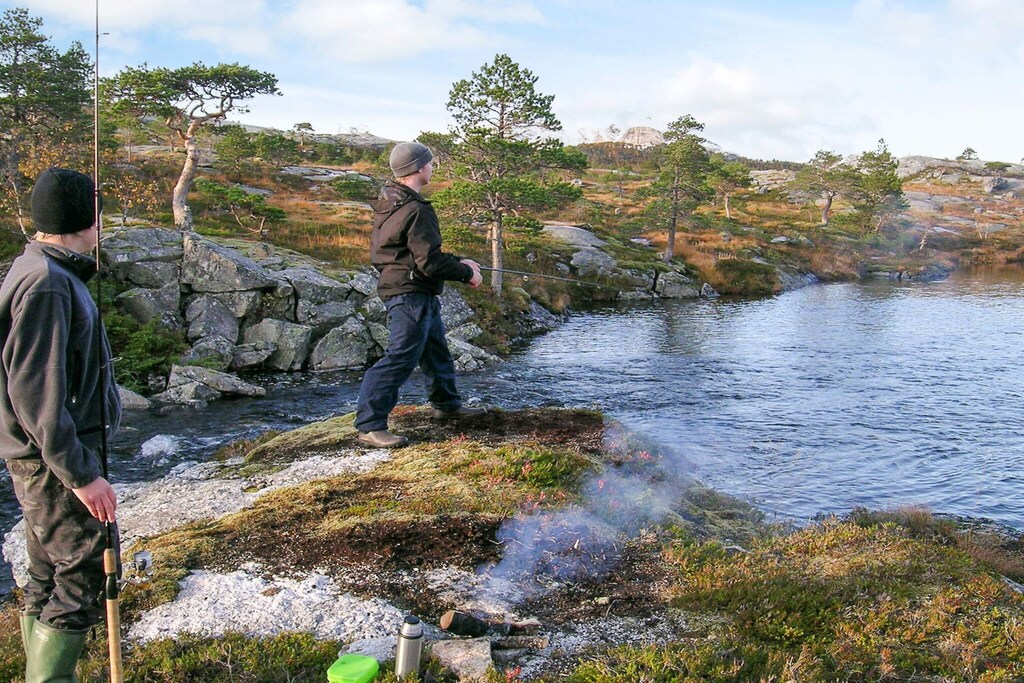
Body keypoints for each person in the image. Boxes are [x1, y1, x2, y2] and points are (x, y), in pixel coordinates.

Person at [0, 168, 122, 681]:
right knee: (83, 568)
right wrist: (81, 474)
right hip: (52, 463)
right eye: (97, 213)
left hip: (40, 459)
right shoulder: (48, 284)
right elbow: (36, 391)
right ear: (84, 218)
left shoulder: (37, 267)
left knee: (47, 571)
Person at [355, 142, 486, 447]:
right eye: (430, 163)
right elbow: (429, 262)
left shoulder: (392, 203)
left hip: (411, 290)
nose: (432, 168)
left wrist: (460, 261)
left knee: (435, 351)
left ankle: (446, 405)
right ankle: (370, 426)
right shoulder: (416, 209)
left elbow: (410, 253)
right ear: (419, 168)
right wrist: (468, 274)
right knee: (400, 357)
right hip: (410, 293)